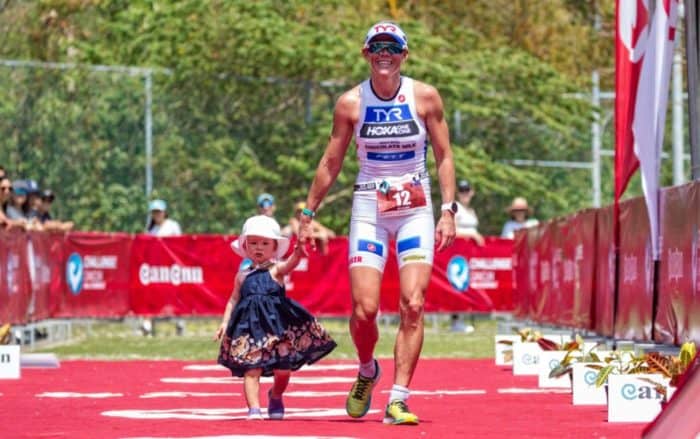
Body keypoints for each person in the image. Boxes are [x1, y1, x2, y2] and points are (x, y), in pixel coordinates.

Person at [298, 21, 457, 425]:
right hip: (369, 207)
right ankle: (368, 368)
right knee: (365, 310)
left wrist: (448, 210)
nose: (384, 54)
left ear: (405, 54)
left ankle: (399, 398)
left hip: (415, 209)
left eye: (392, 48)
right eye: (376, 48)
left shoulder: (424, 96)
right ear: (366, 54)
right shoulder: (351, 103)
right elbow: (331, 161)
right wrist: (308, 213)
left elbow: (444, 155)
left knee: (413, 304)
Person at [216, 214, 337, 420]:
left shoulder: (276, 270)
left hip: (276, 328)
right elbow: (233, 299)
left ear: (274, 248)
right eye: (253, 243)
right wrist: (225, 322)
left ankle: (276, 394)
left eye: (265, 243)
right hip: (249, 329)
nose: (258, 247)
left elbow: (293, 261)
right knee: (251, 369)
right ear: (245, 246)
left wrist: (299, 249)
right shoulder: (242, 275)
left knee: (283, 371)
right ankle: (254, 409)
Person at [454, 179, 484, 246]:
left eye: (467, 190)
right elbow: (453, 232)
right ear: (457, 193)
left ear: (472, 192)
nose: (464, 193)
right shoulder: (455, 207)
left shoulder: (472, 211)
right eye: (461, 190)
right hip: (459, 248)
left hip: (472, 248)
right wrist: (473, 236)